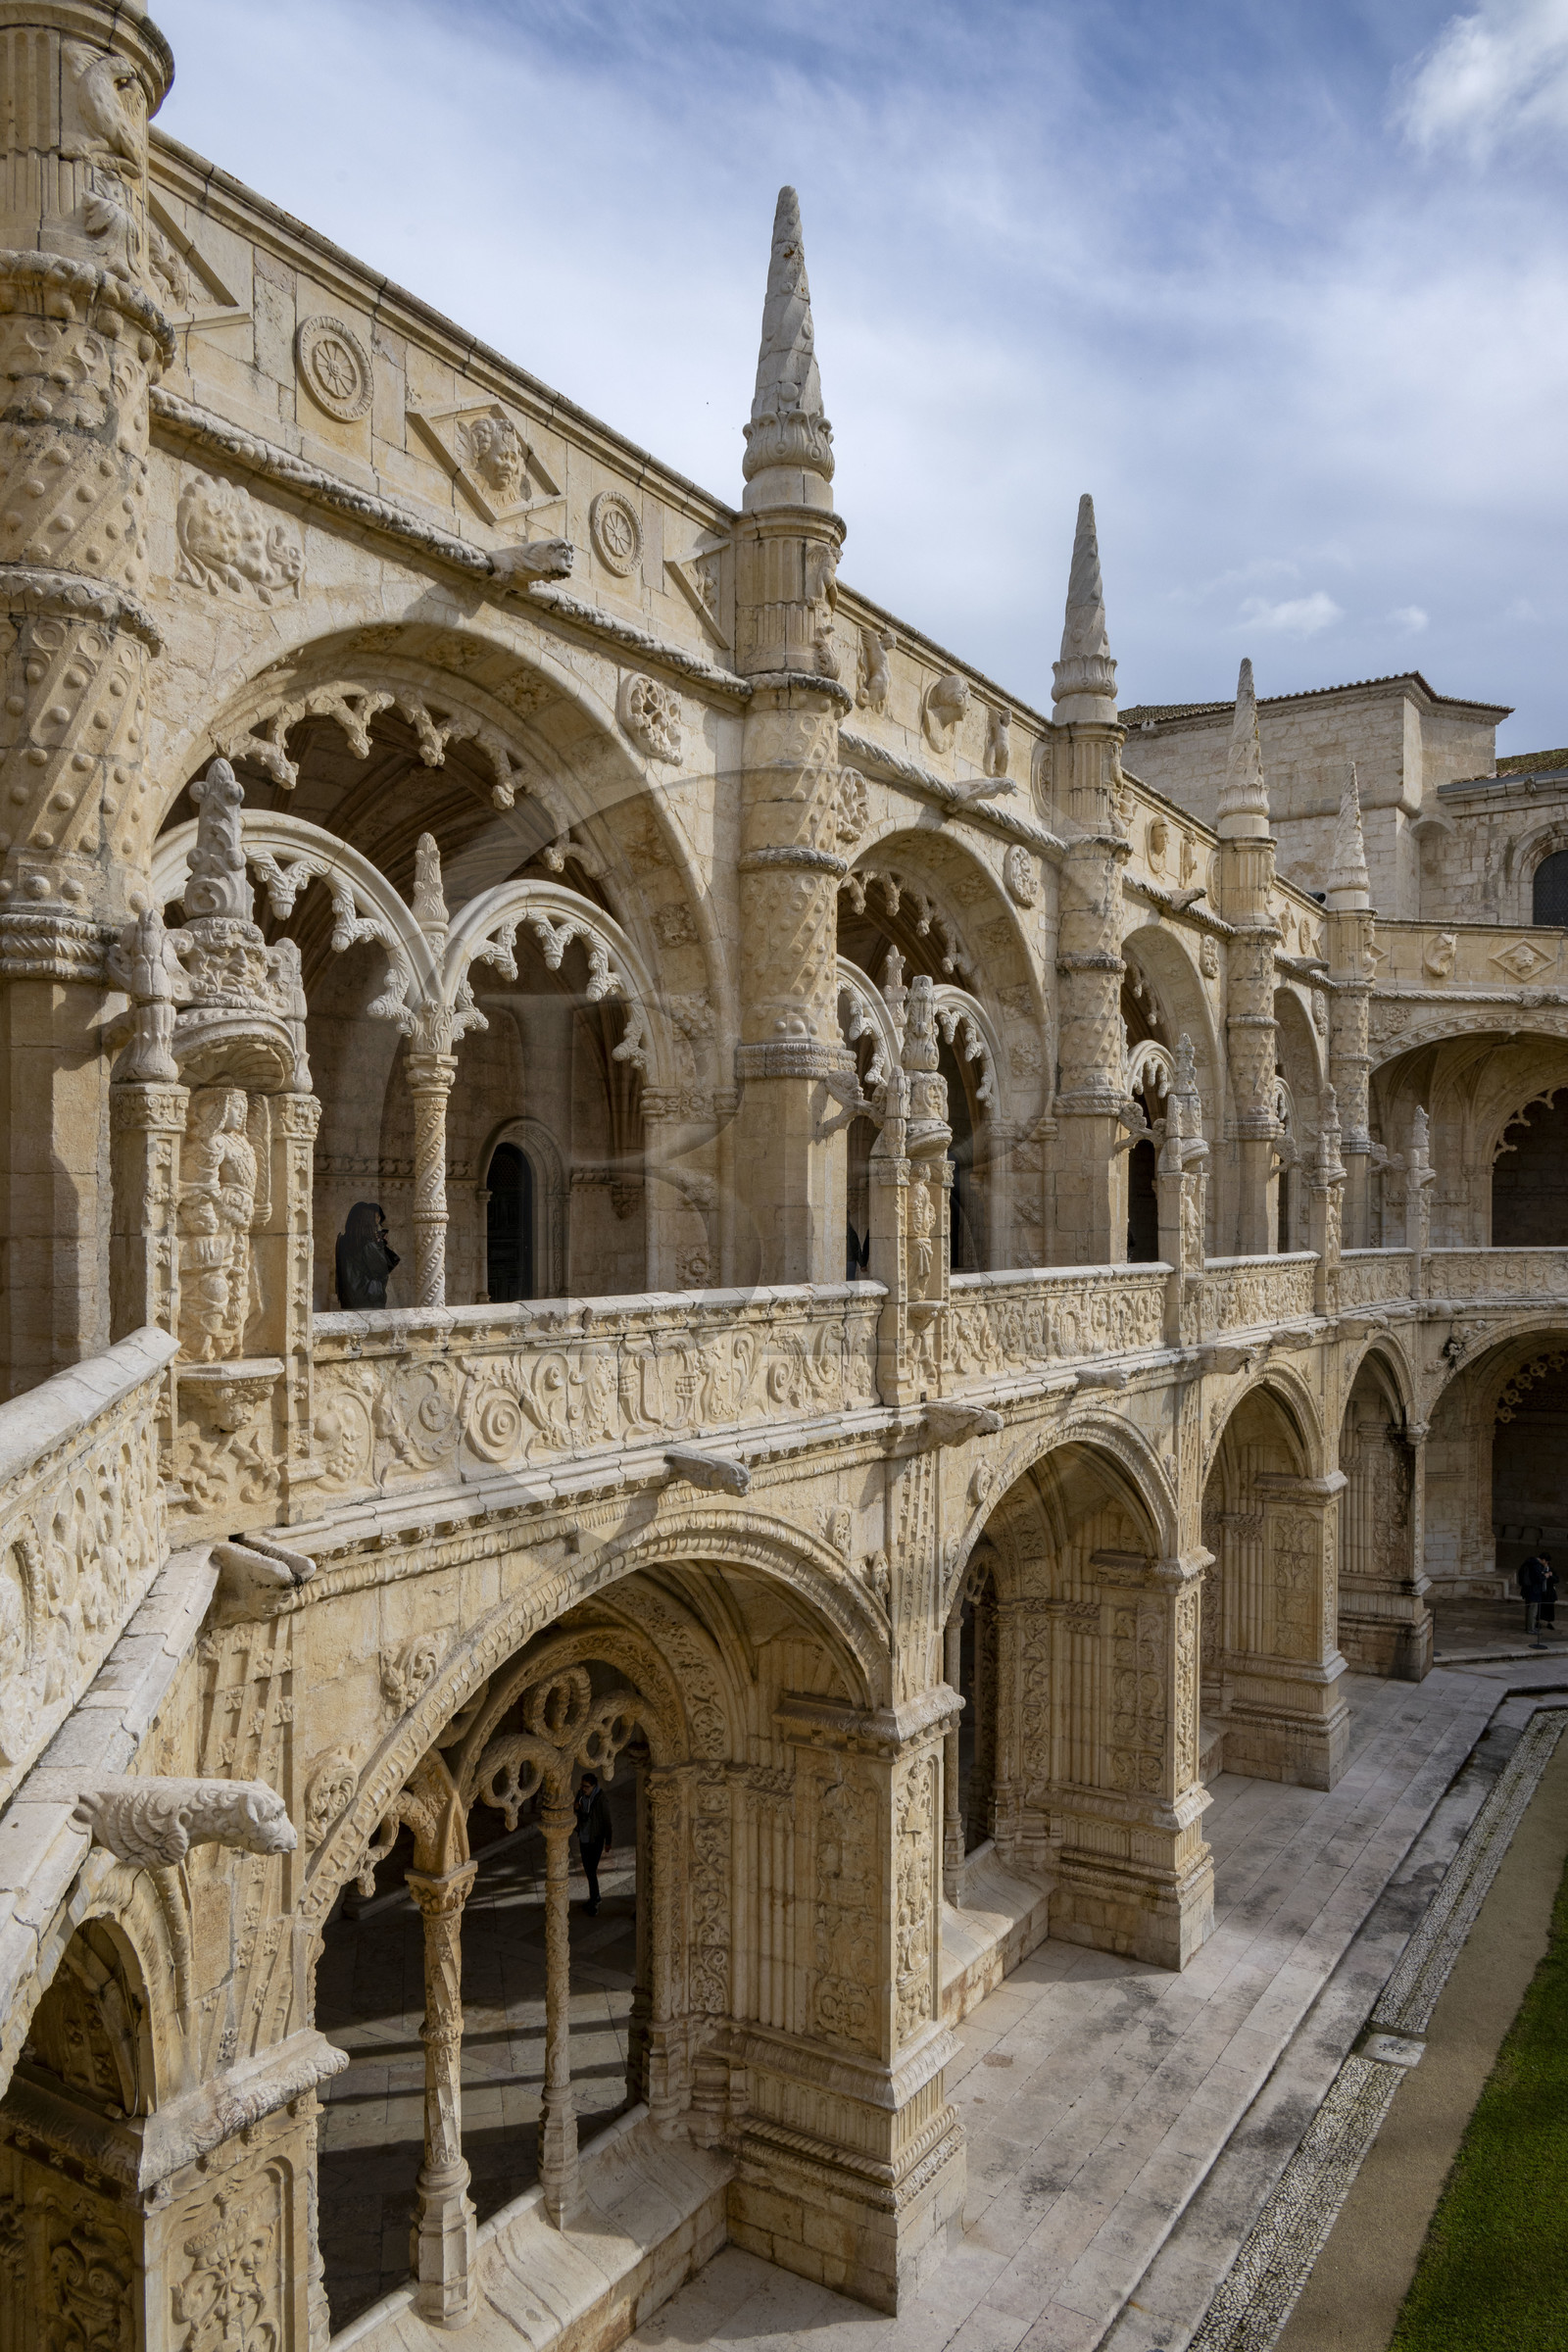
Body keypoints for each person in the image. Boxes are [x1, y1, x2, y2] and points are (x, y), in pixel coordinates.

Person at [335, 1201, 399, 1309]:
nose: (377, 1223)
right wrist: (381, 1245)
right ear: (367, 1221)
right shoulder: (367, 1244)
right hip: (368, 1301)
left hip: (348, 1301)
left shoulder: (342, 1241)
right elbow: (382, 1269)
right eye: (375, 1219)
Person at [573, 1771, 612, 1915]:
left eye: (586, 1786)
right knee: (589, 1870)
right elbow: (578, 1812)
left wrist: (608, 1841)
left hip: (595, 1839)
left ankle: (595, 1900)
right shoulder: (581, 1795)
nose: (583, 1788)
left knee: (591, 1870)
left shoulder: (601, 1800)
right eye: (582, 1786)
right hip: (584, 1837)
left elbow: (607, 1822)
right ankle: (594, 1898)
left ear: (594, 1786)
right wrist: (576, 1809)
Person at [1517, 1551, 1551, 1649]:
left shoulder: (1531, 1562)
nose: (1546, 1564)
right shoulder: (1536, 1565)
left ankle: (1529, 1627)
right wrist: (1545, 1575)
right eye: (1546, 1562)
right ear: (1543, 1560)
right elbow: (1538, 1578)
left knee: (1530, 1609)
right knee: (1533, 1609)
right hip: (1533, 1591)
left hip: (1528, 1590)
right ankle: (1531, 1628)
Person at [1543, 1556, 1559, 1636]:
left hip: (1549, 1592)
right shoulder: (1540, 1569)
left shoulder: (1551, 1569)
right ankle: (1537, 1621)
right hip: (1542, 1591)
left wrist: (1551, 1575)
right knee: (1540, 1607)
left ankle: (1549, 1622)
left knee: (1549, 1607)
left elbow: (1557, 1580)